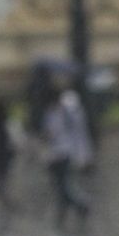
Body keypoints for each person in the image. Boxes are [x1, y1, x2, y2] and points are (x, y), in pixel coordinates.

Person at [42, 82, 94, 222]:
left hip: (64, 154)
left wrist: (83, 155)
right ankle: (67, 209)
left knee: (64, 186)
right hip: (57, 155)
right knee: (61, 186)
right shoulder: (53, 113)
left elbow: (76, 134)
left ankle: (80, 206)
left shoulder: (64, 114)